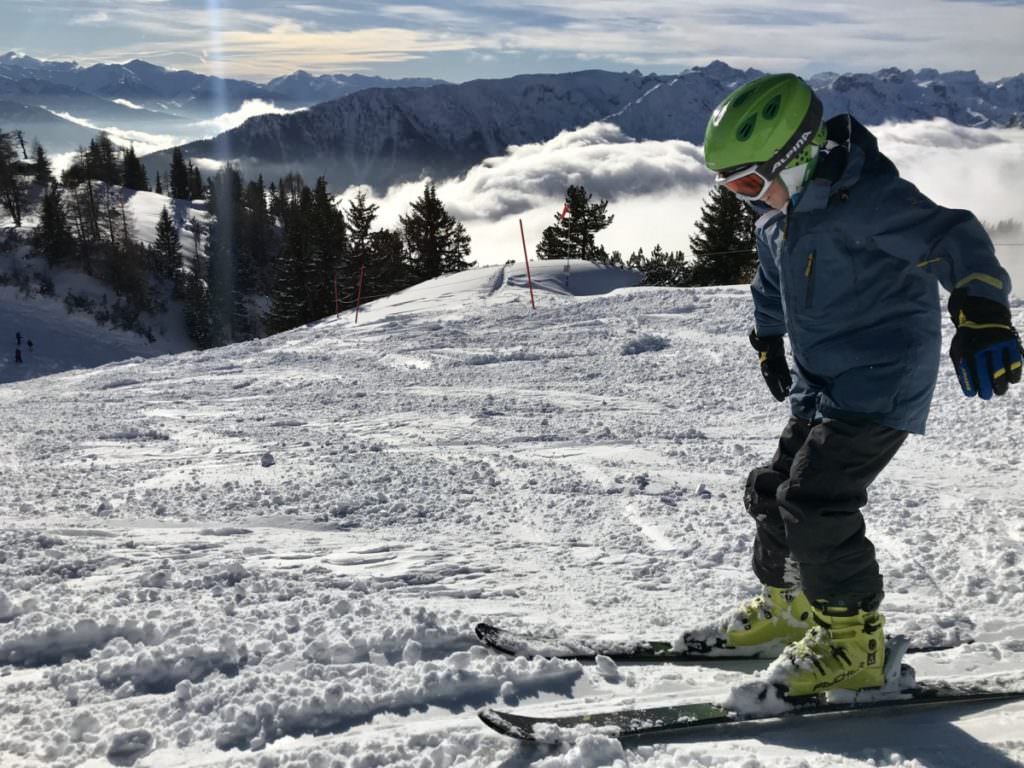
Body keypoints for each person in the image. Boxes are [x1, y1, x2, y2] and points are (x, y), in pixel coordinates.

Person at [694, 73, 1022, 697]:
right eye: (732, 189)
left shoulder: (867, 200)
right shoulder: (778, 217)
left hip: (881, 381)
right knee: (772, 490)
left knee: (817, 501)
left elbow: (954, 235)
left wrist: (982, 312)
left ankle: (855, 643)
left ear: (798, 159)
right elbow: (771, 281)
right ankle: (791, 608)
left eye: (750, 183)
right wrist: (767, 336)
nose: (746, 201)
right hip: (823, 383)